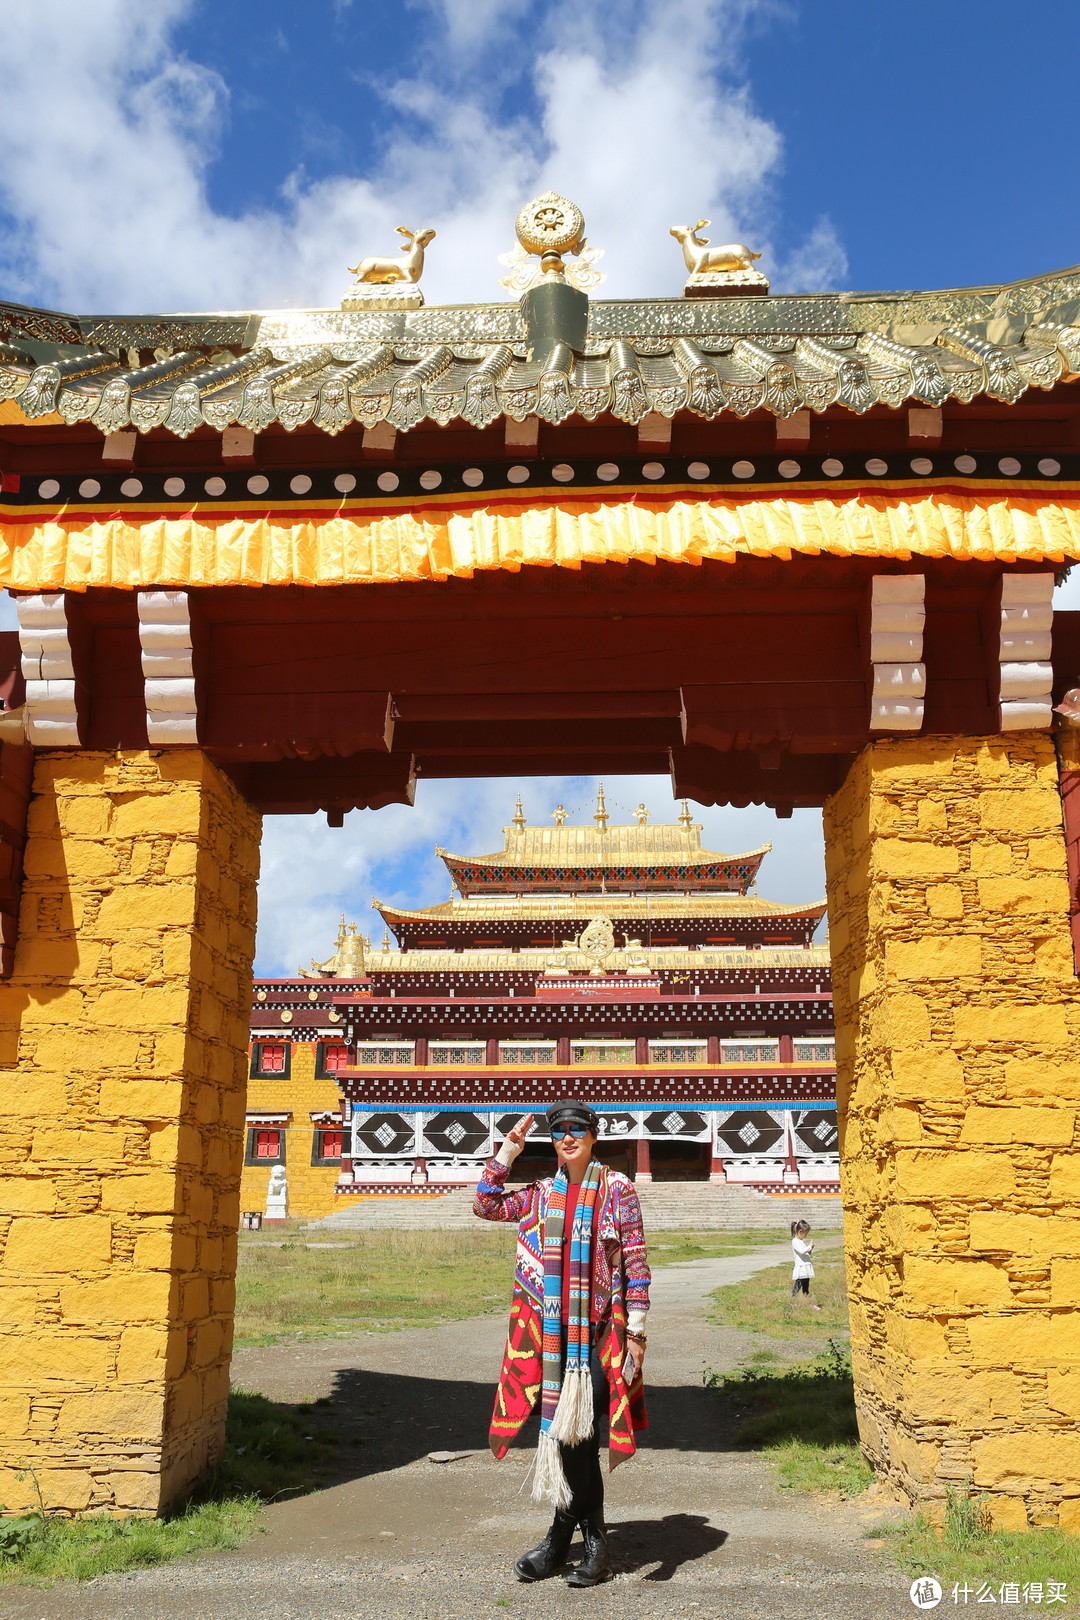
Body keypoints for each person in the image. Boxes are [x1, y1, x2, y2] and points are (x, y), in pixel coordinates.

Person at [474, 1100, 650, 1587]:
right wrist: (508, 1150)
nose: (567, 1137)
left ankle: (567, 1540)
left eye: (577, 1129)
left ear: (594, 1135)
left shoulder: (618, 1190)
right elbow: (485, 1203)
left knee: (577, 1434)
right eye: (559, 1132)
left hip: (601, 1333)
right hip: (551, 1335)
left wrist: (636, 1331)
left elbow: (634, 1262)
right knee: (571, 1437)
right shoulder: (539, 1194)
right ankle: (581, 1539)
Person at [790, 1219, 820, 1308]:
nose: (805, 1236)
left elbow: (806, 1253)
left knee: (806, 1286)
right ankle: (793, 1301)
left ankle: (806, 1302)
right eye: (805, 1234)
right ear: (800, 1231)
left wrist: (811, 1248)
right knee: (798, 1285)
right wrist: (809, 1246)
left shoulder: (801, 1241)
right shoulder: (795, 1241)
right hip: (801, 1267)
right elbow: (802, 1251)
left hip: (806, 1266)